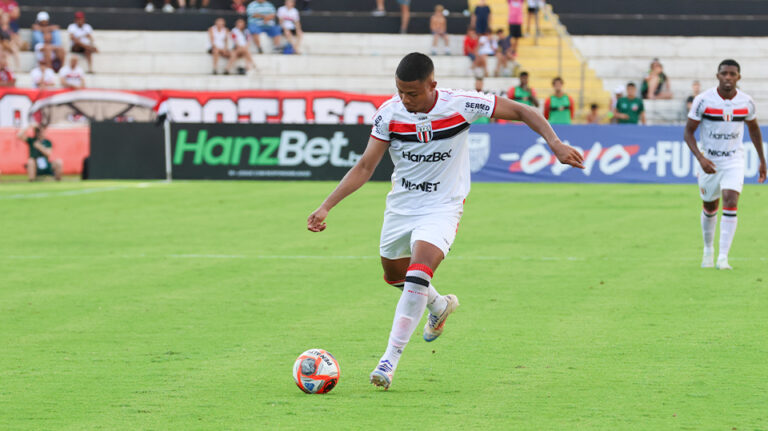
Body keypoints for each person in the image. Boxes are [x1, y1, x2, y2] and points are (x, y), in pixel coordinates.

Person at [306, 52, 584, 390]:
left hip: (442, 206)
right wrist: (326, 206)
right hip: (401, 206)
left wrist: (554, 144)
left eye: (412, 93)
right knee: (394, 275)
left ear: (431, 85)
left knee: (418, 272)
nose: (405, 99)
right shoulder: (389, 114)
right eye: (400, 92)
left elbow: (523, 111)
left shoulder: (461, 105)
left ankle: (389, 360)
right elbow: (366, 166)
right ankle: (439, 305)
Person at [684, 59, 766, 270]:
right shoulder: (703, 100)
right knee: (710, 206)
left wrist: (762, 160)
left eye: (732, 74)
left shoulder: (746, 102)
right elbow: (688, 132)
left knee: (730, 200)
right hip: (709, 161)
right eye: (724, 74)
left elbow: (754, 130)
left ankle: (723, 257)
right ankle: (708, 249)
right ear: (717, 76)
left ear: (739, 77)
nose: (728, 77)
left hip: (733, 160)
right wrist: (701, 158)